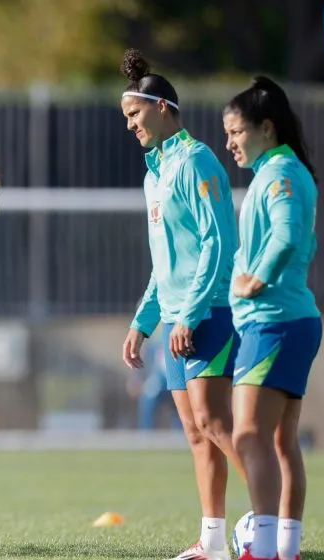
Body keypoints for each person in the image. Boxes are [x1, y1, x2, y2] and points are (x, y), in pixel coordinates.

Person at [116, 49, 244, 560]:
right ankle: (212, 542)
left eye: (135, 115)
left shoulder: (197, 161)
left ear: (163, 107)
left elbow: (219, 243)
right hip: (173, 319)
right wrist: (142, 322)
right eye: (125, 118)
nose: (130, 126)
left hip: (207, 312)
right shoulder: (155, 173)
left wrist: (190, 313)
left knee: (215, 424)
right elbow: (165, 262)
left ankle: (276, 521)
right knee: (195, 432)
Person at [223, 77, 322, 560]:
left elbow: (284, 235)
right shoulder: (282, 170)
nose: (230, 142)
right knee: (281, 441)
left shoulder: (280, 173)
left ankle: (260, 549)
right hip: (290, 321)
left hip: (274, 321)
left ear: (266, 127)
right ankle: (286, 548)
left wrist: (255, 278)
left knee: (247, 434)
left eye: (237, 131)